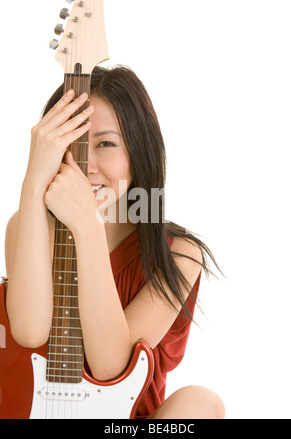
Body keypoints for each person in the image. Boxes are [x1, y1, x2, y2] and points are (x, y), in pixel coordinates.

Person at [4, 65, 225, 419]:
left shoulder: (180, 255)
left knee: (202, 402)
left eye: (105, 144)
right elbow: (29, 332)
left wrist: (87, 228)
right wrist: (32, 185)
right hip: (36, 411)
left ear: (137, 156)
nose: (85, 164)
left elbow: (110, 367)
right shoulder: (26, 227)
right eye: (69, 143)